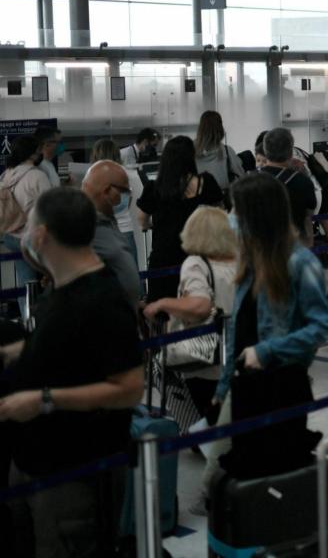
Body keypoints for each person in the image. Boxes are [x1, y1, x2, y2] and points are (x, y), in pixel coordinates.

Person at [0, 188, 143, 558]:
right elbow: (70, 349)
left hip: (71, 476)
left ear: (42, 234)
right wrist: (19, 352)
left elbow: (129, 389)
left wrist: (44, 400)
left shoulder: (103, 300)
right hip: (34, 463)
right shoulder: (60, 291)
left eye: (29, 226)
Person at [213, 172, 328, 476]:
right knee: (224, 479)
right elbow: (237, 330)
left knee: (265, 478)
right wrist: (223, 387)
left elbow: (320, 327)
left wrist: (266, 351)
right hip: (245, 388)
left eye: (237, 211)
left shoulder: (300, 263)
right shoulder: (249, 264)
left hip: (281, 389)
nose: (231, 219)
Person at [140, 206, 237, 511]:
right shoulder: (239, 263)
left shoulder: (195, 263)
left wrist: (162, 303)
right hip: (230, 352)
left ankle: (195, 434)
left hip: (199, 355)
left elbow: (199, 305)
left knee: (159, 368)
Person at [137, 135, 224, 302]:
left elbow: (142, 219)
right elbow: (219, 214)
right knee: (200, 304)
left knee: (163, 308)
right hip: (199, 253)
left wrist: (157, 225)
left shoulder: (154, 188)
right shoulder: (206, 183)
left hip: (164, 256)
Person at [80, 161, 142, 309]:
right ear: (108, 190)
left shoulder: (107, 221)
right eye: (124, 192)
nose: (125, 198)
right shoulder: (82, 226)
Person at [1, 135, 55, 288]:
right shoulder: (37, 176)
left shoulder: (7, 174)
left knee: (26, 282)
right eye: (39, 150)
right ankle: (46, 310)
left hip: (10, 236)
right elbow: (51, 208)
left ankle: (27, 310)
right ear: (32, 153)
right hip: (32, 237)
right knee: (54, 278)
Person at [89, 140, 144, 267]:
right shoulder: (126, 174)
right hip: (125, 230)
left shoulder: (91, 176)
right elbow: (128, 202)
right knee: (131, 278)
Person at [259, 128, 318, 245]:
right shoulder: (303, 182)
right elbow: (308, 217)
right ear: (290, 152)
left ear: (265, 151)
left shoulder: (248, 181)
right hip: (293, 247)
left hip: (260, 250)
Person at [194, 110, 244, 190]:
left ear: (200, 128)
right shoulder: (227, 151)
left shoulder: (190, 151)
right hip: (221, 198)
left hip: (197, 199)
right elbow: (242, 177)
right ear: (220, 128)